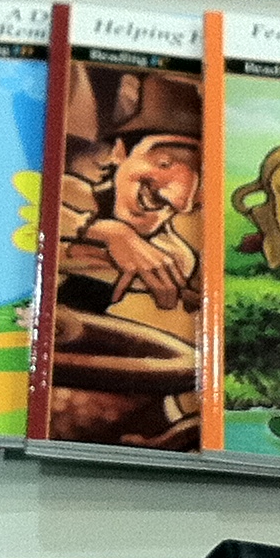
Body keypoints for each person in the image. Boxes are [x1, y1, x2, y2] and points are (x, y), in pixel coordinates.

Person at [47, 68, 204, 451]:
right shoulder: (71, 195)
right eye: (163, 162)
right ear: (120, 153)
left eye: (193, 176)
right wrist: (106, 232)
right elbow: (27, 215)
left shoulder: (175, 257)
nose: (170, 188)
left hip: (80, 372)